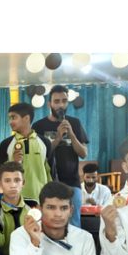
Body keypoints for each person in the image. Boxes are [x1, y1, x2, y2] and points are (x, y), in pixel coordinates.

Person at [33, 85, 89, 228]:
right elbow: (40, 156)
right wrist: (57, 137)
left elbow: (83, 153)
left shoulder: (75, 123)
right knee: (49, 223)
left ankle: (74, 250)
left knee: (74, 223)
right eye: (56, 101)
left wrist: (71, 134)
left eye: (64, 101)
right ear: (49, 104)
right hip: (48, 183)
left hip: (72, 183)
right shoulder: (39, 126)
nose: (60, 105)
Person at [0, 102, 56, 201]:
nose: (10, 122)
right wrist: (14, 163)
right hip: (14, 200)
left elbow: (52, 173)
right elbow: (1, 173)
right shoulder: (6, 144)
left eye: (13, 117)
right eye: (10, 118)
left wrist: (53, 197)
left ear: (26, 118)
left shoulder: (45, 142)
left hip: (40, 199)